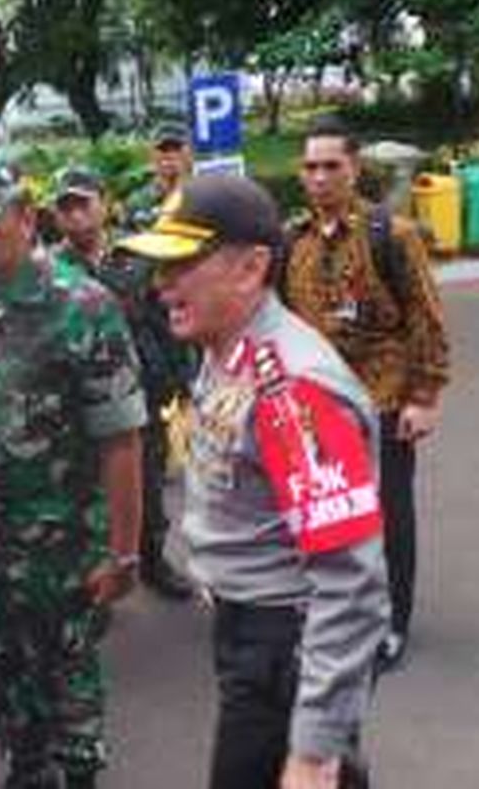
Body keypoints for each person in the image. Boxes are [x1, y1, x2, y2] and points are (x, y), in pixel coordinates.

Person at [120, 174, 389, 789]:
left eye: (182, 264)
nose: (162, 284)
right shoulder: (226, 349)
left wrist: (315, 747)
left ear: (250, 269)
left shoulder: (292, 389)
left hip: (286, 648)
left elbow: (352, 587)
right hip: (252, 633)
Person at [0, 149, 147, 789]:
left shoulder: (82, 307)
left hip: (60, 543)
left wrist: (123, 553)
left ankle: (73, 773)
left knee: (68, 683)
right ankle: (25, 764)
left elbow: (122, 440)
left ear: (23, 217)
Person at [279, 116, 451, 671]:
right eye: (311, 166)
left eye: (332, 165)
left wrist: (425, 396)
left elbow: (426, 317)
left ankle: (391, 622)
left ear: (354, 168)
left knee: (389, 515)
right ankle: (337, 611)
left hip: (383, 399)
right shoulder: (292, 240)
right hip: (316, 405)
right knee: (328, 513)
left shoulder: (389, 234)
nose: (321, 176)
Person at [51, 165, 196, 599]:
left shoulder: (134, 257)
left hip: (141, 395)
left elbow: (163, 317)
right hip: (79, 405)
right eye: (65, 208)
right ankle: (91, 581)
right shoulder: (50, 272)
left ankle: (150, 562)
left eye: (83, 204)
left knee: (146, 490)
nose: (75, 215)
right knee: (83, 499)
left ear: (105, 204)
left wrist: (179, 377)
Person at [123, 119, 194, 231]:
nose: (170, 155)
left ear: (190, 154)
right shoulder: (137, 202)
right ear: (151, 155)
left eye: (177, 149)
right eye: (163, 149)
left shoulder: (203, 197)